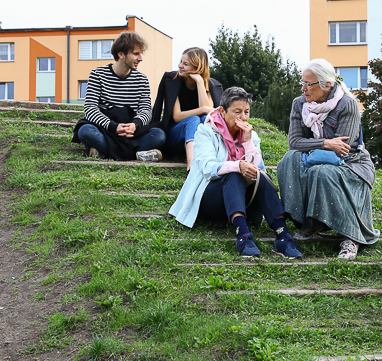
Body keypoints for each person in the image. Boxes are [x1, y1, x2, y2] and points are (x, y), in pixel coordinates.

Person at [169, 87, 303, 259]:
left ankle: (283, 236)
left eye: (246, 112)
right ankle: (243, 236)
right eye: (237, 112)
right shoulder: (206, 131)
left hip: (241, 198)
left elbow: (259, 168)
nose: (243, 117)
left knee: (260, 175)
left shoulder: (251, 135)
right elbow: (208, 168)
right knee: (233, 174)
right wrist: (238, 165)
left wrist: (247, 142)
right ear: (223, 112)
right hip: (209, 197)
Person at [277, 59, 379, 260]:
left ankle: (351, 237)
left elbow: (342, 150)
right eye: (302, 83)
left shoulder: (347, 104)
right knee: (289, 159)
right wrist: (325, 143)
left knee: (321, 171)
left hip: (352, 163)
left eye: (309, 84)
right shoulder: (299, 104)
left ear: (326, 85)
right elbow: (295, 142)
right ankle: (310, 222)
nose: (304, 88)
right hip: (317, 156)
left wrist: (323, 146)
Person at [71, 31, 166, 161]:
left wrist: (134, 125)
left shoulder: (141, 79)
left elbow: (146, 110)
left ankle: (104, 152)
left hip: (130, 131)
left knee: (159, 135)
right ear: (121, 54)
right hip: (106, 128)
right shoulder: (97, 74)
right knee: (85, 131)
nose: (140, 58)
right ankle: (136, 155)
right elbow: (90, 109)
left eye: (141, 54)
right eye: (136, 54)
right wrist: (113, 126)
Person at [150, 47, 223, 169]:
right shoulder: (173, 81)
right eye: (180, 62)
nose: (180, 66)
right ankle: (192, 165)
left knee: (205, 118)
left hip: (199, 138)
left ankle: (205, 158)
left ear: (197, 67)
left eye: (185, 64)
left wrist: (200, 82)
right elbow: (177, 116)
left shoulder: (211, 85)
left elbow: (209, 112)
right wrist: (202, 110)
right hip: (175, 135)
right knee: (193, 119)